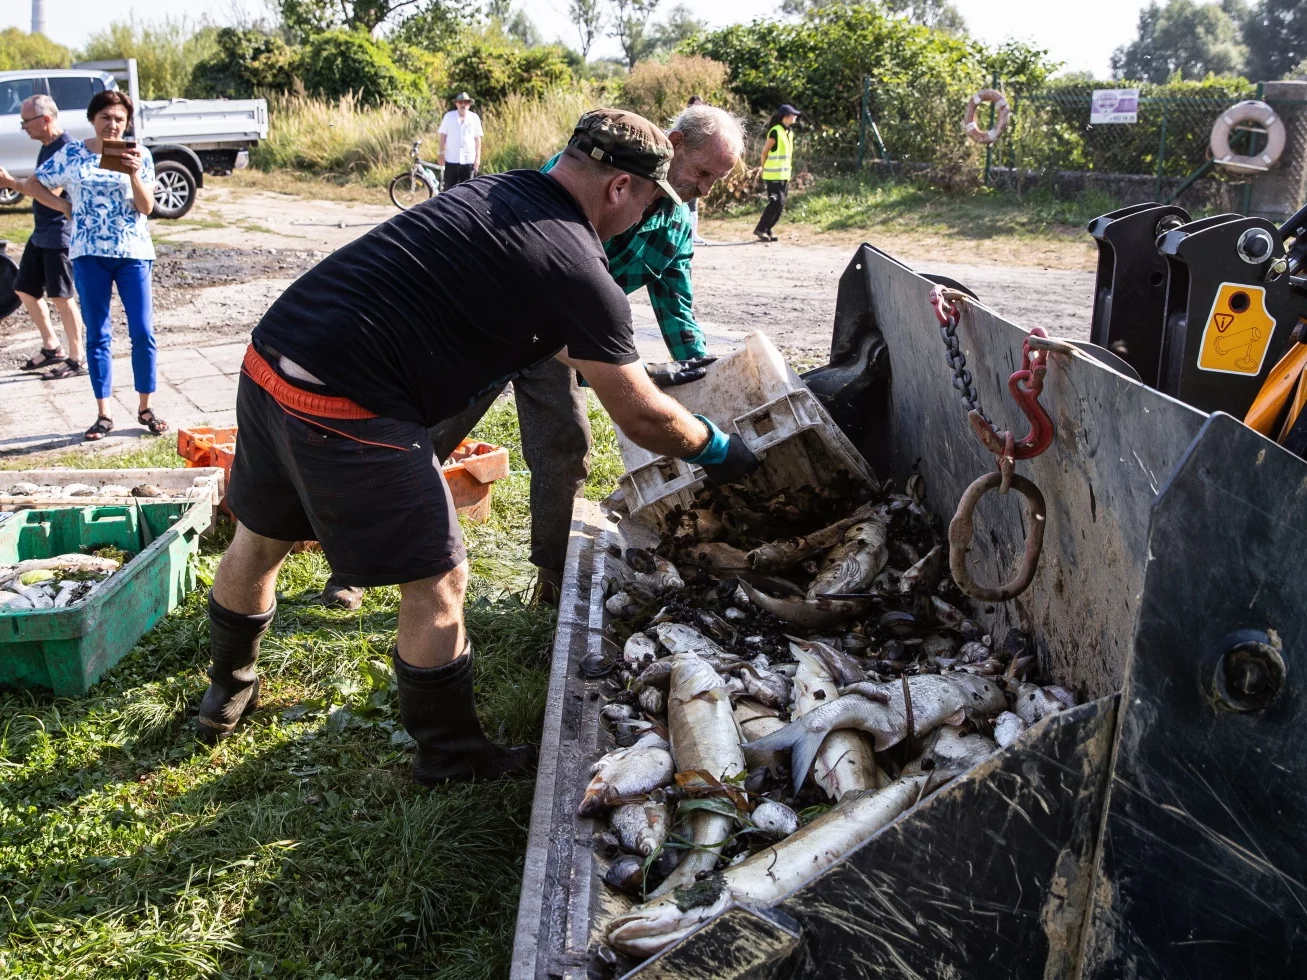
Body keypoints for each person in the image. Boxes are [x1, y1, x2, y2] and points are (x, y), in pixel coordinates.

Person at [197, 109, 759, 786]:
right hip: (348, 402)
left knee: (259, 541)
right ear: (617, 189)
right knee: (438, 581)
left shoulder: (496, 189)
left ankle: (226, 689)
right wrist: (724, 451)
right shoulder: (580, 267)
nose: (647, 215)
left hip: (273, 357)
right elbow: (644, 420)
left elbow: (510, 311)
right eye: (647, 199)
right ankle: (452, 756)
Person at [316, 102, 745, 611]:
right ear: (673, 144)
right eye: (701, 172)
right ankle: (354, 565)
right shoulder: (589, 168)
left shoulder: (675, 222)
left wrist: (697, 367)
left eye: (715, 179)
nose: (704, 189)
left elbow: (675, 296)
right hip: (500, 322)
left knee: (565, 447)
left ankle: (553, 582)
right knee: (427, 438)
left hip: (568, 340)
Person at [21, 89, 167, 441]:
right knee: (98, 335)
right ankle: (103, 414)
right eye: (106, 118)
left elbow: (146, 207)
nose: (113, 125)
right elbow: (35, 183)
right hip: (88, 253)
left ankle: (146, 407)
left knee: (143, 332)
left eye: (119, 119)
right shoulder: (72, 153)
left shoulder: (139, 154)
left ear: (127, 122)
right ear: (93, 119)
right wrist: (66, 208)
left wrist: (134, 174)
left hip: (133, 253)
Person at [0, 95, 86, 380]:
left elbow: (50, 193)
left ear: (46, 119)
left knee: (62, 297)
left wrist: (11, 183)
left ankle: (77, 357)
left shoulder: (67, 149)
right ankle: (53, 347)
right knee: (23, 288)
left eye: (26, 121)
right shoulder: (47, 146)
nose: (24, 127)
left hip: (60, 235)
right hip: (41, 233)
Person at [754, 104, 801, 243]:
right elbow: (764, 153)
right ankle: (761, 229)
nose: (795, 116)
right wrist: (763, 169)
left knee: (780, 205)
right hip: (773, 175)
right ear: (785, 116)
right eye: (793, 114)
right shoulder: (775, 131)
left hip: (784, 175)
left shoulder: (789, 132)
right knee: (775, 203)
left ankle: (768, 229)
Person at [438, 92, 482, 190]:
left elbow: (477, 139)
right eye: (460, 102)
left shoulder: (474, 118)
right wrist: (441, 153)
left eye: (465, 103)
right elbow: (442, 136)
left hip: (468, 159)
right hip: (451, 159)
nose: (463, 105)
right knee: (449, 189)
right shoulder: (449, 117)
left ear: (469, 104)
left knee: (467, 190)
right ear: (456, 104)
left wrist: (477, 159)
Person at [685, 96, 708, 247]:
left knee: (694, 201)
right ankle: (686, 234)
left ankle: (694, 234)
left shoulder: (706, 125)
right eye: (695, 106)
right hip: (686, 167)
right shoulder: (684, 123)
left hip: (699, 167)